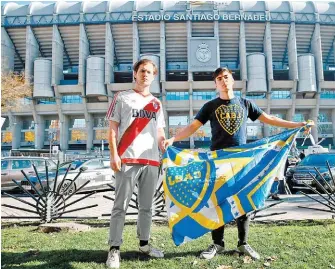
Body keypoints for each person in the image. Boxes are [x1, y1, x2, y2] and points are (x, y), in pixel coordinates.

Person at [163, 67, 313, 261]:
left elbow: (269, 119)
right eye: (219, 79)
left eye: (226, 77)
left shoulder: (245, 103)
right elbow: (193, 127)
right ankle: (217, 244)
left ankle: (243, 243)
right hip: (218, 160)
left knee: (242, 201)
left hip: (242, 160)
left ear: (232, 80)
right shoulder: (210, 106)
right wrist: (173, 139)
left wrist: (297, 125)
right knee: (217, 201)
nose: (223, 81)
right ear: (215, 84)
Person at [105, 59, 166, 268]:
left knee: (147, 207)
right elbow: (112, 129)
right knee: (119, 206)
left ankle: (144, 244)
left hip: (151, 161)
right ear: (135, 73)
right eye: (142, 71)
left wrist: (164, 144)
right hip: (127, 159)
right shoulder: (121, 97)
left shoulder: (157, 104)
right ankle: (114, 249)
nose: (145, 75)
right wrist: (114, 155)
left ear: (154, 76)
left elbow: (159, 132)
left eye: (149, 72)